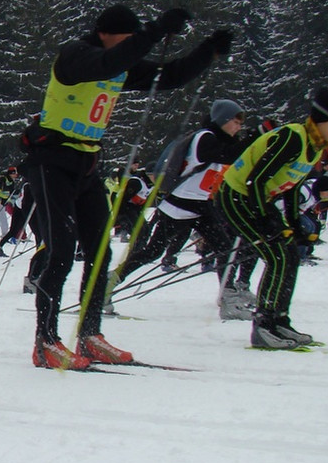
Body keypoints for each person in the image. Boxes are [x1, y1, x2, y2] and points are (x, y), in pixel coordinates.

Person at [22, 3, 230, 369]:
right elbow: (107, 64)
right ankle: (46, 342)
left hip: (86, 165)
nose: (132, 45)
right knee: (60, 252)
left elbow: (171, 75)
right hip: (50, 161)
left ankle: (89, 335)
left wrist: (208, 51)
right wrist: (153, 31)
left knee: (99, 250)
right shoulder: (76, 56)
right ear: (106, 32)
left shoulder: (121, 62)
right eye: (128, 38)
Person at [217, 87, 328, 350]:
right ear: (324, 118)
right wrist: (266, 218)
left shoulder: (315, 147)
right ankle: (264, 325)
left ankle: (279, 320)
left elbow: (290, 189)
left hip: (257, 199)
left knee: (289, 255)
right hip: (236, 196)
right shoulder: (293, 137)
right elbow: (255, 179)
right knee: (277, 256)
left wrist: (294, 225)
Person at [106, 99, 251, 320]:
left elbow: (232, 157)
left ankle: (228, 297)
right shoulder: (205, 138)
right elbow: (227, 155)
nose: (239, 126)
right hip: (179, 204)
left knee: (225, 247)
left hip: (200, 205)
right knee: (153, 251)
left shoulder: (219, 140)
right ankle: (109, 282)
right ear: (222, 120)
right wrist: (257, 134)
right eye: (236, 121)